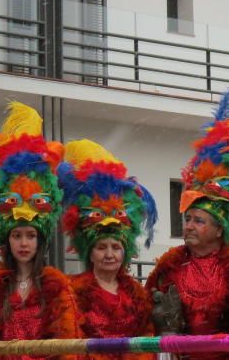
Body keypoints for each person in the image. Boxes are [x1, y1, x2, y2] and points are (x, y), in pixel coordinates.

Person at [145, 87, 229, 360]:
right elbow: (149, 312)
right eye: (187, 219)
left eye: (199, 221)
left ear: (220, 228)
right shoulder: (170, 263)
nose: (189, 226)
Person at [0, 102, 82, 360]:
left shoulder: (57, 286)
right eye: (17, 235)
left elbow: (68, 347)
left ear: (40, 239)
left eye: (31, 235)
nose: (24, 243)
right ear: (7, 238)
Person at [59, 139, 158, 360]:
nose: (109, 254)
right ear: (89, 252)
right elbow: (70, 340)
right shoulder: (70, 290)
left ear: (125, 251)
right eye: (102, 247)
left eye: (116, 247)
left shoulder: (137, 294)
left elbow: (146, 338)